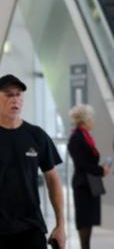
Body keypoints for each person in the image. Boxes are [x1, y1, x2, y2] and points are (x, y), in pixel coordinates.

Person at [0, 75, 65, 249]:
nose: (15, 99)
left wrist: (61, 225)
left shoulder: (37, 135)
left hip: (31, 227)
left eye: (18, 95)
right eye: (8, 95)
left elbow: (52, 178)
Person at [68, 104, 111, 249]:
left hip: (91, 183)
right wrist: (101, 170)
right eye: (91, 118)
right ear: (84, 120)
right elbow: (82, 164)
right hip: (83, 185)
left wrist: (101, 169)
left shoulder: (85, 136)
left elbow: (88, 161)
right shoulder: (76, 138)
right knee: (84, 222)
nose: (93, 121)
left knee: (89, 221)